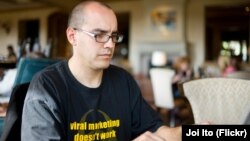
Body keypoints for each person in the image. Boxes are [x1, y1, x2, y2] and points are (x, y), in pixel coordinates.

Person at [21, 1, 181, 140]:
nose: (110, 44)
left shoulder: (123, 80)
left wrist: (200, 132)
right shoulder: (47, 87)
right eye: (99, 35)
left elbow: (159, 132)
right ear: (72, 36)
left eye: (113, 36)